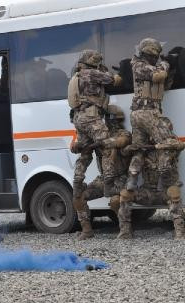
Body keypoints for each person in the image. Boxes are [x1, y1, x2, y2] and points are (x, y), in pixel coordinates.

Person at [122, 37, 185, 239]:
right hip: (145, 113)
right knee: (171, 144)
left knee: (140, 151)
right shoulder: (139, 65)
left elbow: (163, 82)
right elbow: (159, 75)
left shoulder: (145, 64)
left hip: (145, 113)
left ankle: (132, 182)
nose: (155, 58)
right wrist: (167, 62)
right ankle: (169, 179)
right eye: (154, 55)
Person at [68, 49, 122, 239]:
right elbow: (115, 81)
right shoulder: (92, 73)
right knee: (107, 146)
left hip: (78, 119)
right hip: (91, 117)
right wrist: (109, 72)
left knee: (84, 151)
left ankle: (77, 181)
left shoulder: (77, 75)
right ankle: (109, 183)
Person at [73, 104, 131, 239]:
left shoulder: (123, 133)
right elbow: (80, 147)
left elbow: (122, 141)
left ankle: (125, 230)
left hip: (120, 178)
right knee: (78, 197)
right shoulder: (97, 136)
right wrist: (79, 146)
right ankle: (87, 230)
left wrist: (103, 143)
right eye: (108, 119)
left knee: (116, 200)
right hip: (103, 179)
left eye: (112, 119)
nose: (111, 122)